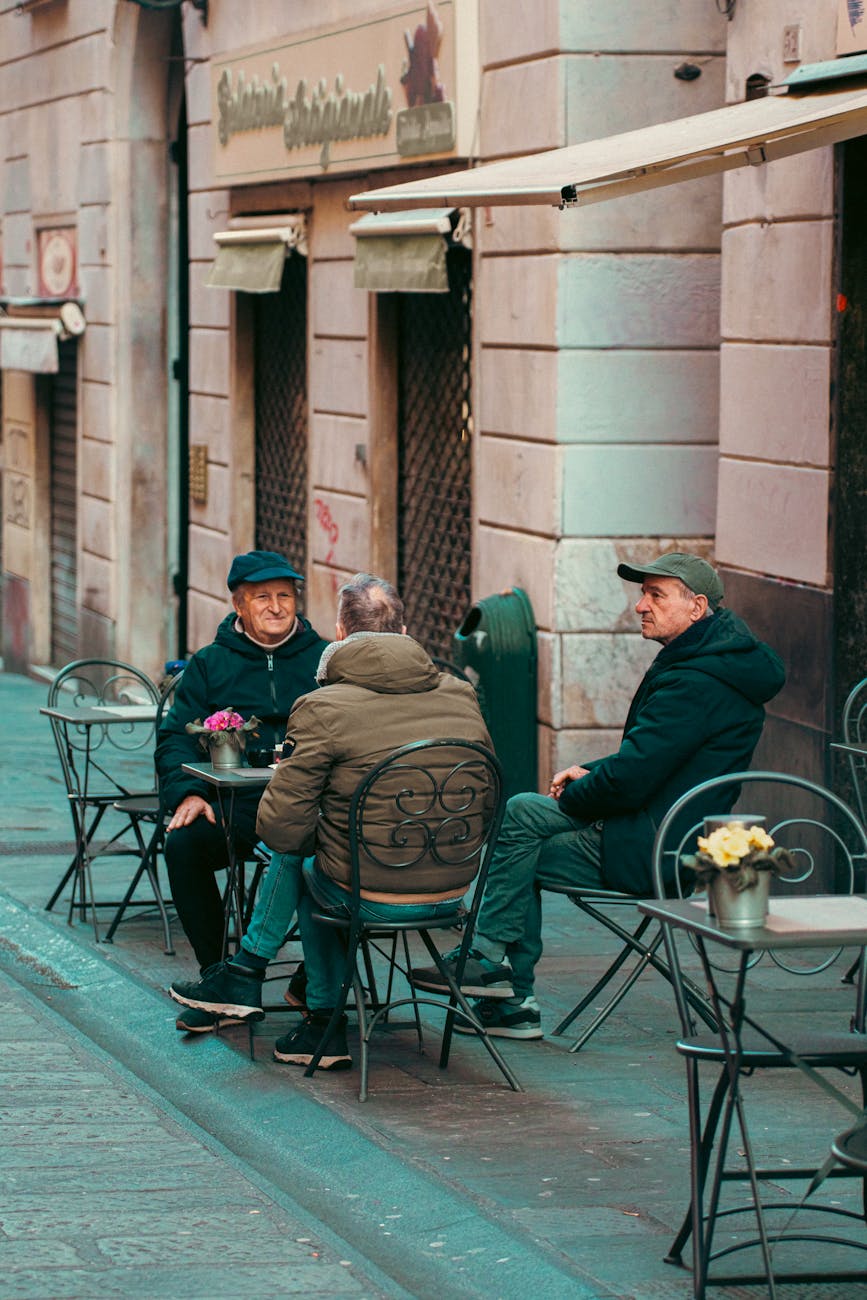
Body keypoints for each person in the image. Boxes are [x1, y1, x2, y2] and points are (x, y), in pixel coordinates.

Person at [411, 552, 786, 1040]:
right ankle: (498, 980)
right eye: (642, 593)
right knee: (523, 817)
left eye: (656, 595)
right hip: (668, 831)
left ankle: (501, 983)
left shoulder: (695, 680)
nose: (640, 606)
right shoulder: (713, 662)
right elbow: (656, 758)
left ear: (696, 608)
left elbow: (635, 777)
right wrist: (590, 771)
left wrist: (583, 791)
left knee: (521, 837)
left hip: (656, 848)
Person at [169, 572, 493, 1070]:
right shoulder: (461, 694)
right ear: (405, 632)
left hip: (370, 893)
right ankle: (298, 1003)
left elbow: (279, 829)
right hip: (452, 890)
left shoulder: (324, 706)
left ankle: (293, 1001)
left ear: (340, 634)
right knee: (320, 857)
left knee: (302, 856)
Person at [157, 549, 327, 1029]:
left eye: (284, 596)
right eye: (262, 598)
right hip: (238, 805)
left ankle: (311, 978)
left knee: (336, 859)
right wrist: (188, 794)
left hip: (309, 808)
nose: (276, 606)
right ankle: (218, 977)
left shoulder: (323, 659)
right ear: (239, 606)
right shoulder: (211, 663)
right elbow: (173, 738)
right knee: (183, 843)